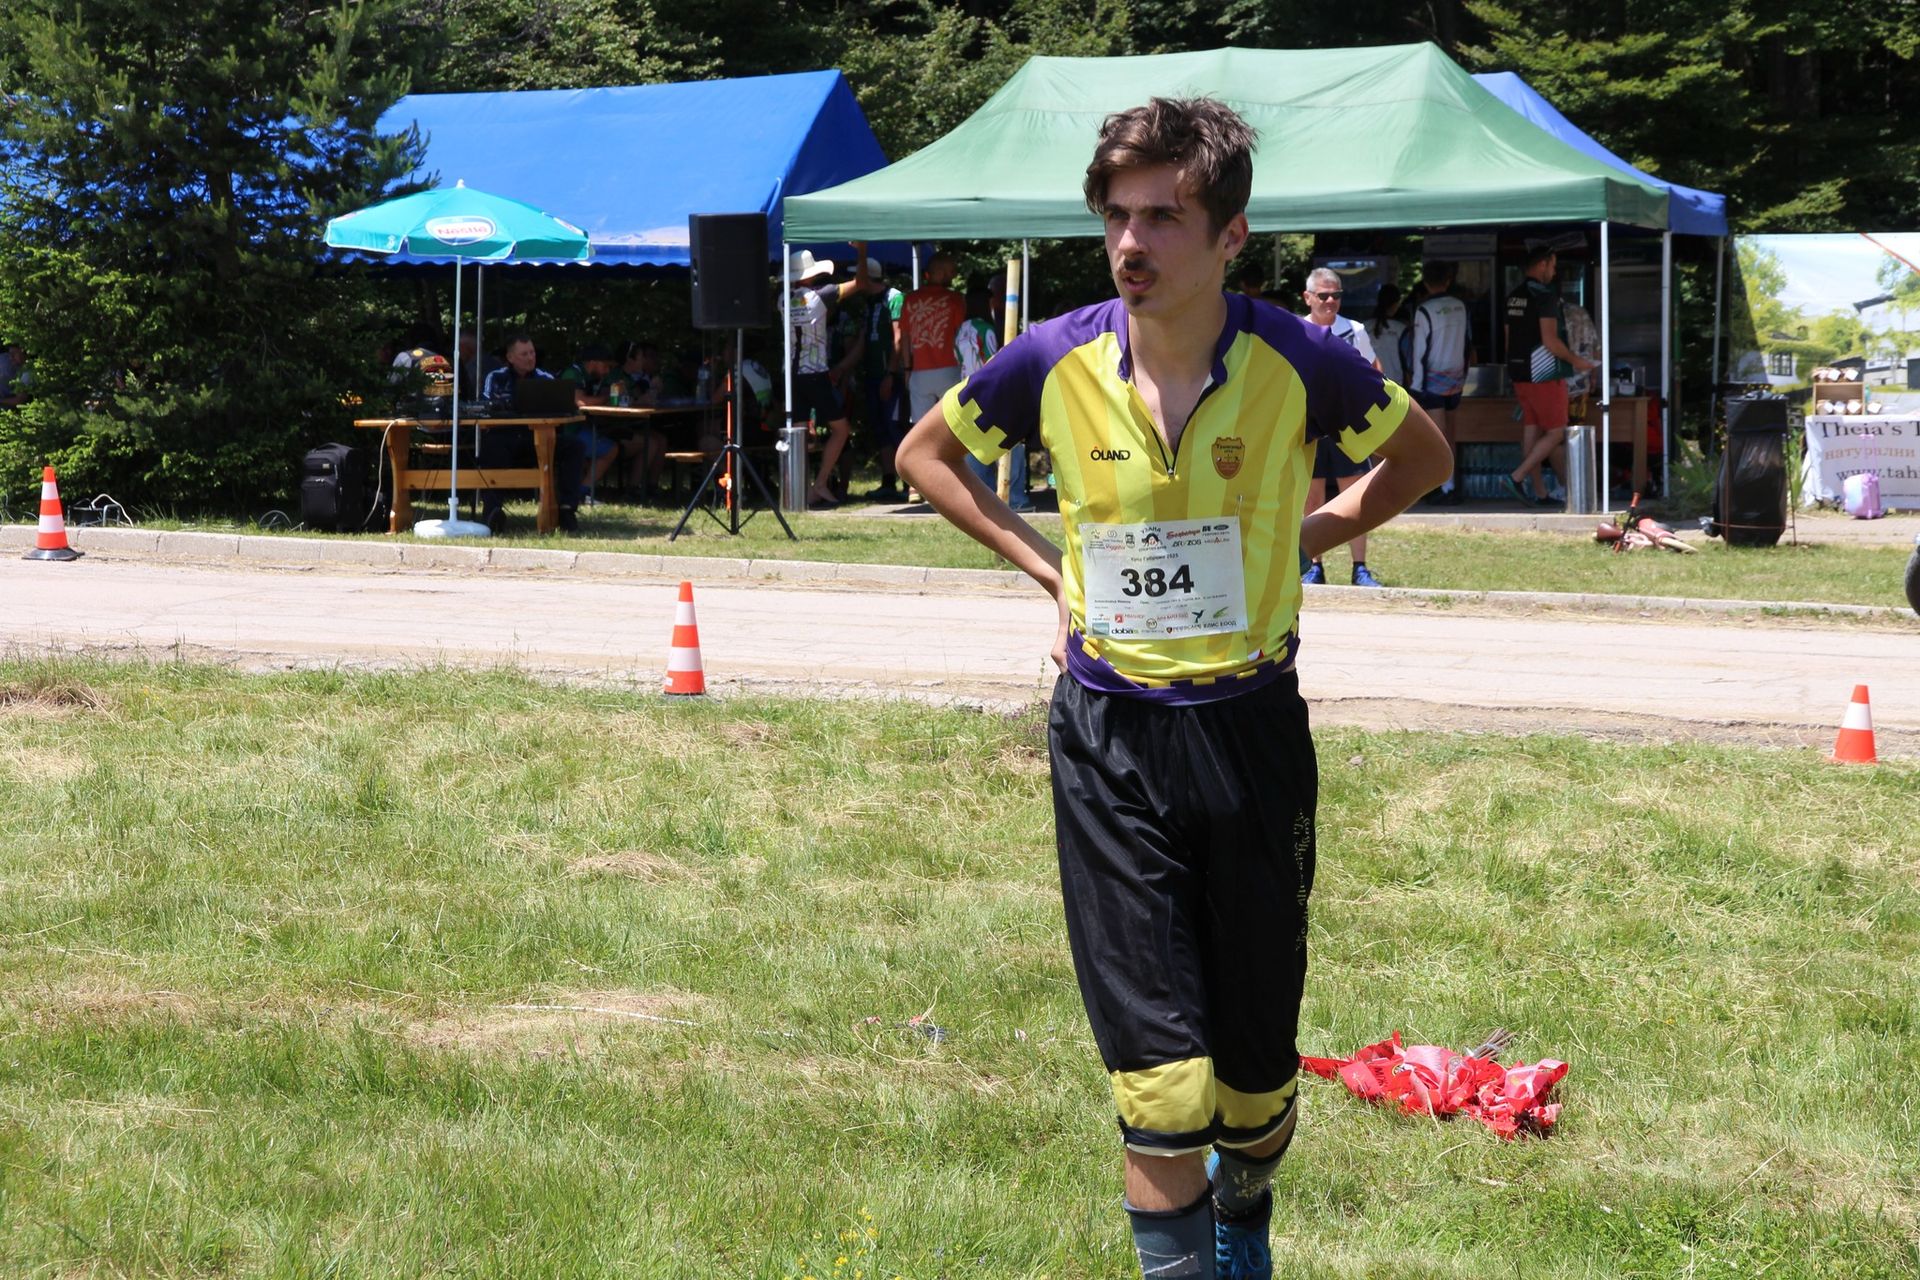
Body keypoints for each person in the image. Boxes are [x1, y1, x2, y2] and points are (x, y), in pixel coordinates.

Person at [895, 96, 1449, 1280]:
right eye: (1116, 215)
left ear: (1230, 235)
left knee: (1252, 1080)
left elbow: (1422, 457)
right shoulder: (1052, 356)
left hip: (1251, 732)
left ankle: (1244, 1206)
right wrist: (1051, 571)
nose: (1131, 241)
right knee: (1160, 1078)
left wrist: (1306, 534)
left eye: (1162, 217)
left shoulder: (1300, 357)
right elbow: (925, 456)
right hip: (1110, 735)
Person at [1300, 266, 1385, 587]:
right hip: (1309, 426)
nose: (1330, 301)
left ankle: (1360, 567)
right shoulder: (1297, 329)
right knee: (1312, 499)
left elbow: (1374, 370)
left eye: (1336, 295)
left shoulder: (1354, 329)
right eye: (1323, 296)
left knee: (1355, 497)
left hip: (1347, 424)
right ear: (1308, 297)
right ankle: (1314, 567)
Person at [1504, 247, 1600, 506]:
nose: (1555, 272)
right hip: (1545, 373)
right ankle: (1517, 477)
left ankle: (1540, 493)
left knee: (1532, 429)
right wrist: (1577, 362)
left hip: (1519, 371)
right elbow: (1550, 341)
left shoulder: (1513, 296)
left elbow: (1508, 339)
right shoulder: (1544, 295)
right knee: (1557, 432)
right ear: (1542, 265)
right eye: (1553, 266)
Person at [479, 333, 587, 533]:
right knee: (491, 445)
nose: (530, 358)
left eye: (532, 353)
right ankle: (493, 511)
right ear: (510, 357)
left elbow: (562, 408)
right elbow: (485, 407)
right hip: (506, 438)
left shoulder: (546, 379)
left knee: (575, 446)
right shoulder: (496, 378)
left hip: (538, 439)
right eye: (524, 354)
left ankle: (566, 510)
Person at [788, 244, 869, 509]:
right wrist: (861, 251)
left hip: (792, 375)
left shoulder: (782, 300)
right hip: (816, 373)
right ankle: (820, 482)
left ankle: (798, 491)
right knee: (841, 429)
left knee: (799, 434)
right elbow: (861, 282)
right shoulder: (821, 296)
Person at [1409, 261, 1474, 505]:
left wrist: (1416, 385)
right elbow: (1468, 342)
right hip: (1455, 379)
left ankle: (1443, 487)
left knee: (1438, 437)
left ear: (1426, 283)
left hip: (1431, 381)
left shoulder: (1424, 310)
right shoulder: (1460, 306)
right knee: (1450, 435)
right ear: (1448, 280)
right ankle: (1449, 485)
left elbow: (1419, 350)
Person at [898, 252, 967, 438]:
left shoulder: (910, 299)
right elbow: (961, 334)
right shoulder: (955, 299)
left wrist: (907, 369)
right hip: (950, 369)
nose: (954, 275)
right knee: (952, 425)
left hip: (919, 371)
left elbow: (905, 337)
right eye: (951, 271)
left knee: (920, 431)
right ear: (941, 272)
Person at [859, 259, 909, 501]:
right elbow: (863, 341)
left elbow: (899, 338)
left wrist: (891, 373)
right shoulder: (868, 303)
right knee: (880, 429)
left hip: (891, 376)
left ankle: (911, 483)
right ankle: (888, 481)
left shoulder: (894, 297)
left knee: (895, 426)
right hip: (872, 375)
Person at [559, 343, 625, 491]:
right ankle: (583, 492)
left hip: (580, 428)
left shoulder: (590, 377)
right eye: (605, 366)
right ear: (593, 363)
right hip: (565, 431)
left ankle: (580, 490)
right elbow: (581, 402)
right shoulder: (572, 373)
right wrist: (609, 396)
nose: (607, 371)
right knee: (611, 449)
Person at [1371, 283, 1408, 387]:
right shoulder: (1401, 329)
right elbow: (1409, 360)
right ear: (1396, 304)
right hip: (1395, 384)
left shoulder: (1363, 327)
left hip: (1370, 382)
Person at [0, 341, 28, 408]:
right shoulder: (4, 359)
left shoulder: (27, 374)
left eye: (14, 354)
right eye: (10, 354)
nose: (11, 357)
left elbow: (20, 400)